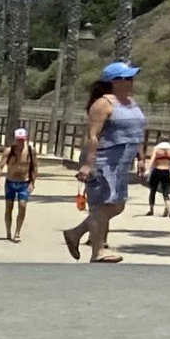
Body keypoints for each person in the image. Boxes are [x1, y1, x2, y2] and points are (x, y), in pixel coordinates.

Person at [65, 62, 145, 264]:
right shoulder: (102, 104)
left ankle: (75, 233)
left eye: (131, 78)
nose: (130, 82)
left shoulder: (131, 102)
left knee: (117, 205)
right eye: (125, 78)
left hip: (121, 163)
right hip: (103, 160)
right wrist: (88, 164)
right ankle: (97, 251)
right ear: (113, 82)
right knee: (101, 205)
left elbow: (137, 133)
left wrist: (141, 157)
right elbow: (92, 136)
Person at [0, 126, 38, 243]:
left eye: (22, 139)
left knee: (22, 206)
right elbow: (0, 166)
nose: (20, 142)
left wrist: (33, 182)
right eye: (18, 139)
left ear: (26, 138)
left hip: (24, 182)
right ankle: (8, 231)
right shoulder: (9, 151)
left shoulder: (30, 151)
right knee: (9, 208)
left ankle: (17, 232)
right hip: (10, 182)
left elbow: (35, 167)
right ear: (15, 139)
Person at [144, 133, 170, 217]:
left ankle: (151, 210)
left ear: (160, 140)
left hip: (157, 171)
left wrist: (147, 170)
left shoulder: (157, 148)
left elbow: (152, 160)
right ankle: (168, 207)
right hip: (166, 171)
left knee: (153, 191)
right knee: (165, 191)